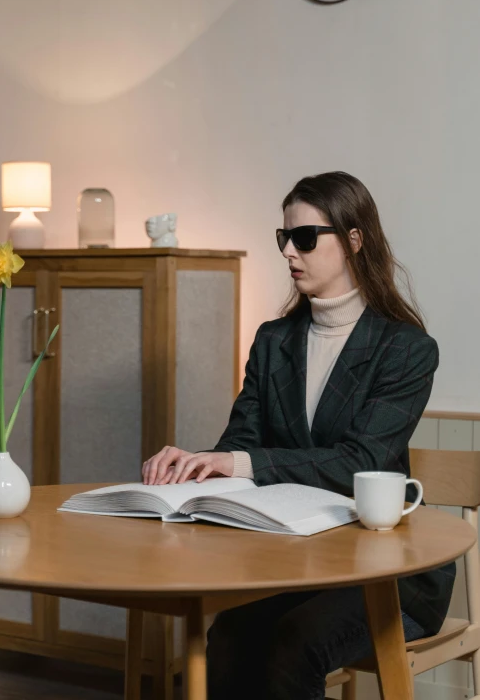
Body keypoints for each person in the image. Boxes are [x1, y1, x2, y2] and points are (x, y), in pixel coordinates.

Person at [141, 171, 456, 700]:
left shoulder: (406, 349)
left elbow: (360, 461)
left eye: (305, 238)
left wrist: (238, 463)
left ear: (354, 240)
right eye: (284, 238)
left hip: (384, 572)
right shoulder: (273, 341)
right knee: (231, 635)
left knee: (296, 642)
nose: (290, 251)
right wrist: (192, 463)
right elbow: (239, 444)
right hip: (296, 558)